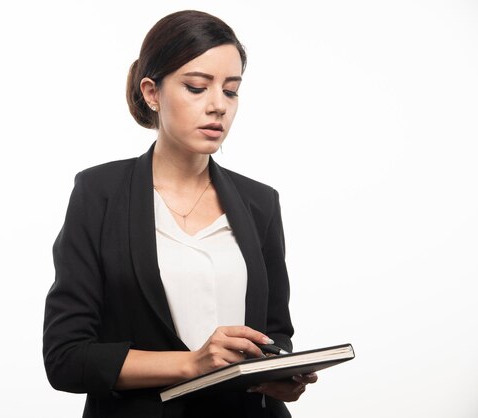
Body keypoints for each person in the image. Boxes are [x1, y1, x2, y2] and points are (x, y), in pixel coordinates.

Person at [43, 10, 317, 418]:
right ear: (152, 92)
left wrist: (280, 375)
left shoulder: (260, 203)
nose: (218, 106)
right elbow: (66, 357)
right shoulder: (98, 194)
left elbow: (274, 335)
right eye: (196, 87)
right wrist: (193, 363)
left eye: (231, 91)